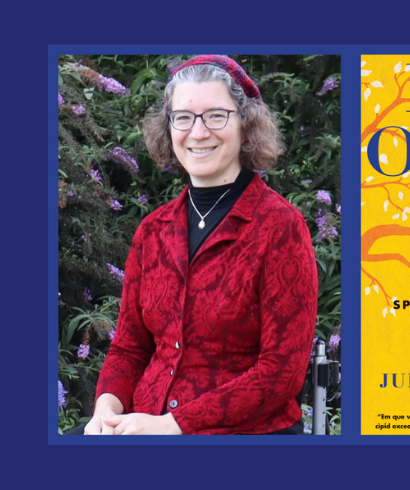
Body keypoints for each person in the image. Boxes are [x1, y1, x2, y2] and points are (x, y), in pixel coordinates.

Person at [80, 55, 318, 435]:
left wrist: (173, 425)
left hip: (243, 433)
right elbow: (129, 348)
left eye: (216, 116)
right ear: (169, 127)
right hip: (143, 422)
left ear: (246, 124)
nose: (199, 132)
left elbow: (281, 373)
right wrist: (105, 410)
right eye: (184, 117)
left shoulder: (280, 227)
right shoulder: (153, 231)